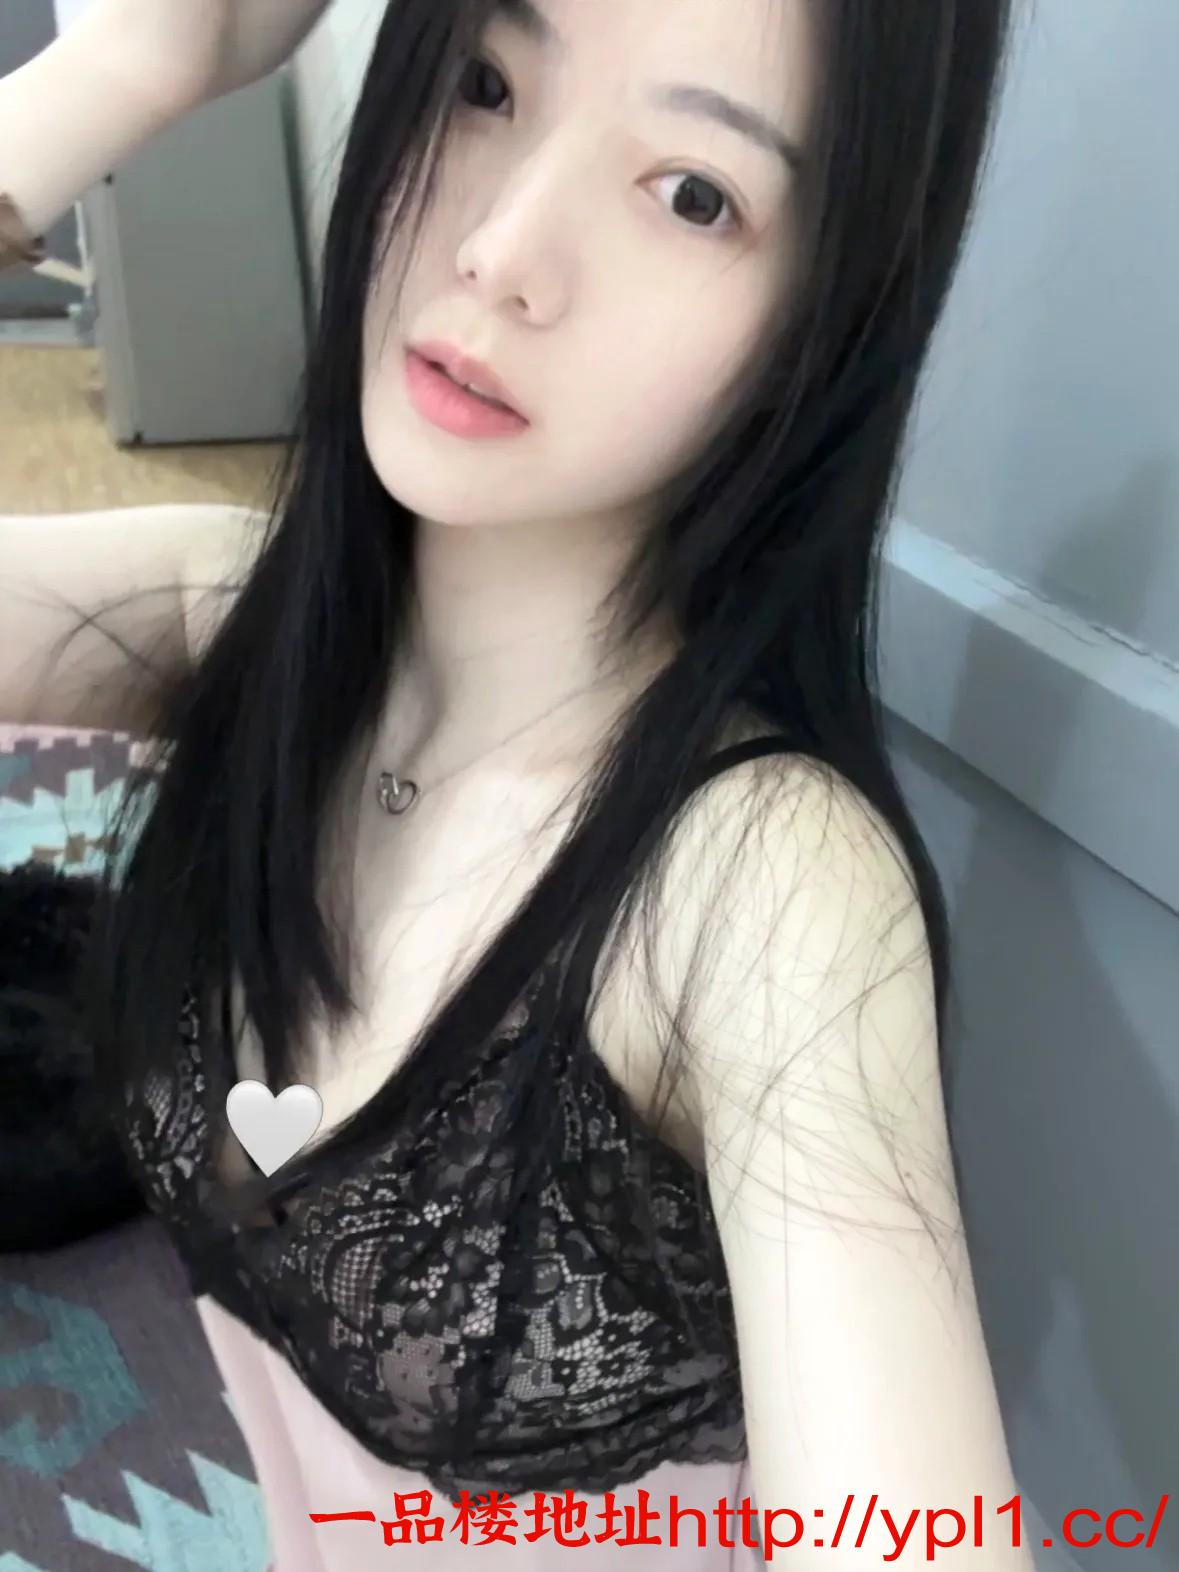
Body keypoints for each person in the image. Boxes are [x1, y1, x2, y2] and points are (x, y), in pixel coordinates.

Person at [0, 0, 1036, 1566]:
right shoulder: (245, 622)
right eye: (485, 84)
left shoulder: (763, 887)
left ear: (829, 306)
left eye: (694, 194)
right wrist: (119, 74)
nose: (502, 252)